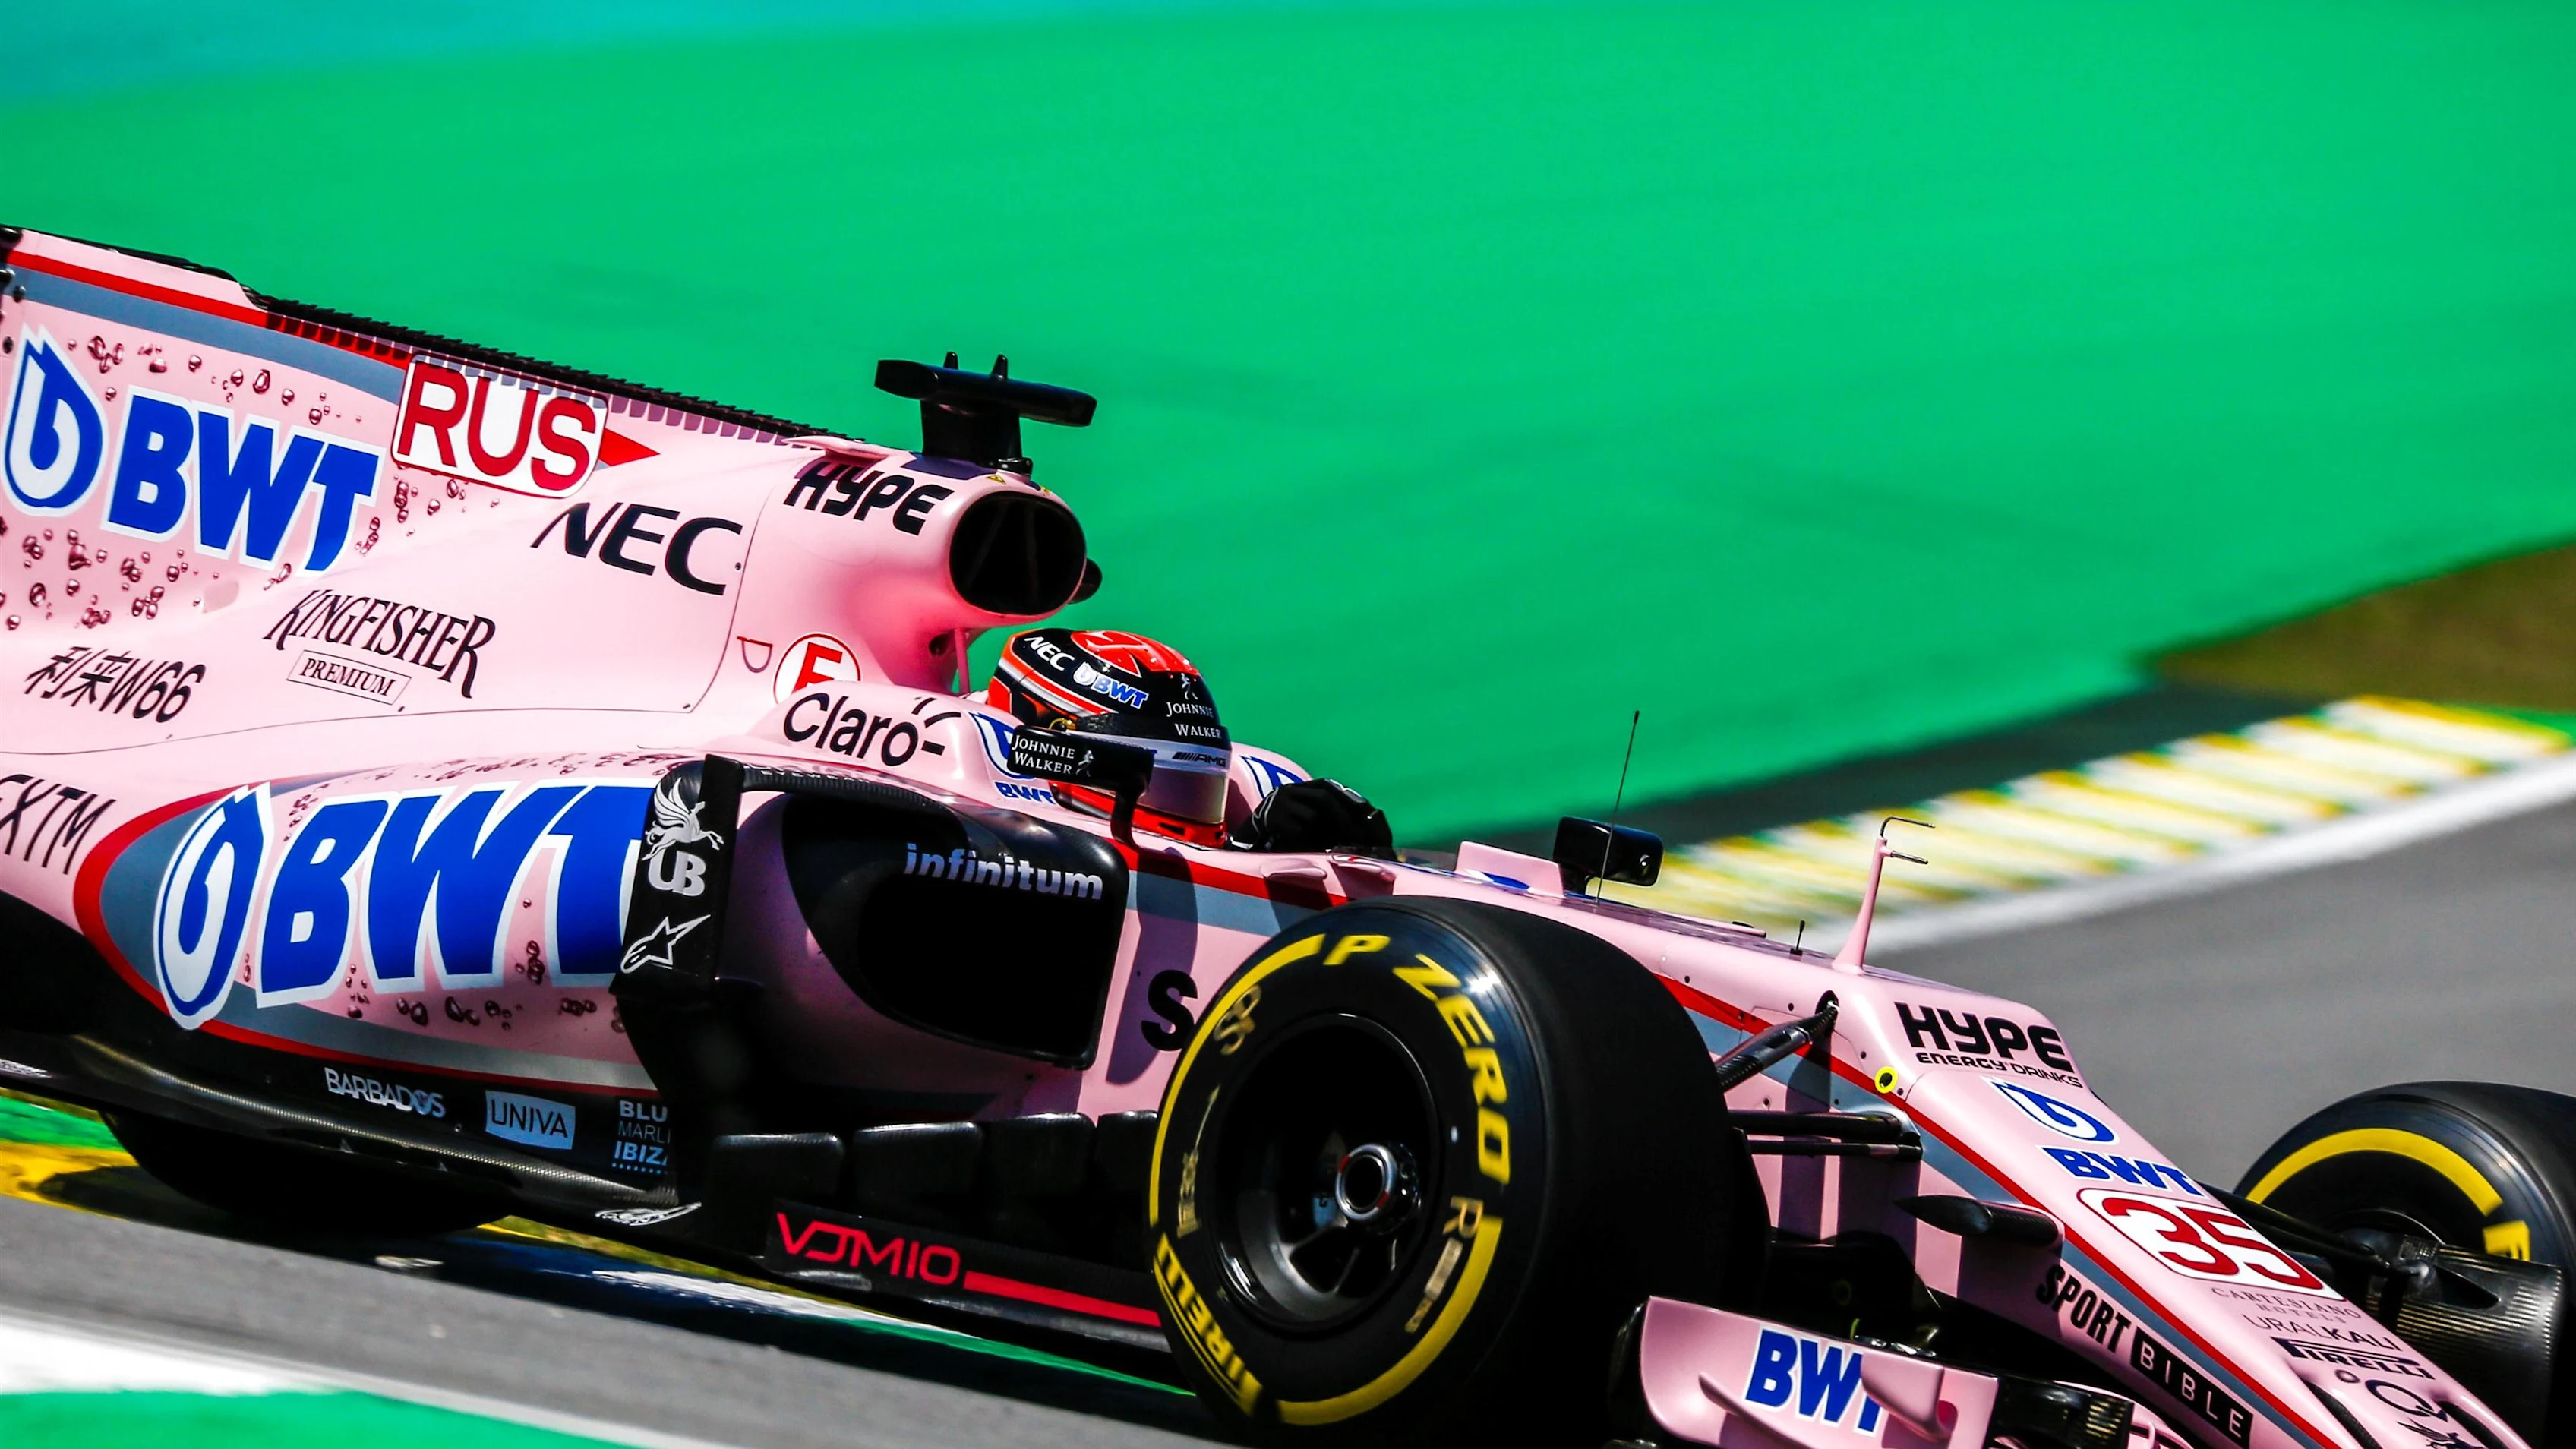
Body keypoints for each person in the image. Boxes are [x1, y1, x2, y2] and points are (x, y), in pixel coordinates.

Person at [984, 627, 1393, 856]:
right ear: (1057, 747)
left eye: (1198, 783)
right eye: (1163, 779)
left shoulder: (1262, 787)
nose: (1185, 810)